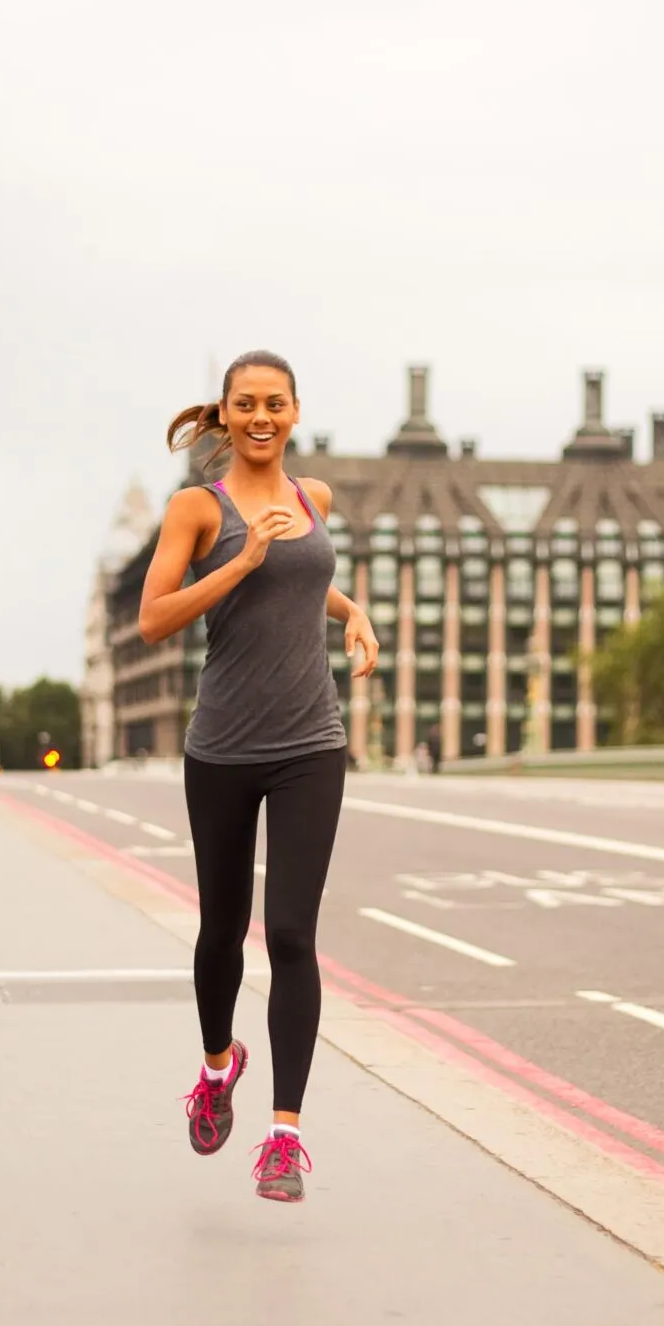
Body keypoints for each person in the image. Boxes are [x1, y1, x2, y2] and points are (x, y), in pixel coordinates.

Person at [138, 350, 379, 1203]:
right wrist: (236, 565)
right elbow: (153, 618)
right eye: (247, 405)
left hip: (311, 742)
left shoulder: (314, 498)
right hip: (223, 748)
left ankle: (285, 1137)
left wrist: (356, 617)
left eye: (276, 403)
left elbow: (305, 582)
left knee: (292, 936)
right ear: (227, 414)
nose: (262, 417)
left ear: (295, 409)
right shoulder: (197, 508)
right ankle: (217, 1065)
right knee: (220, 932)